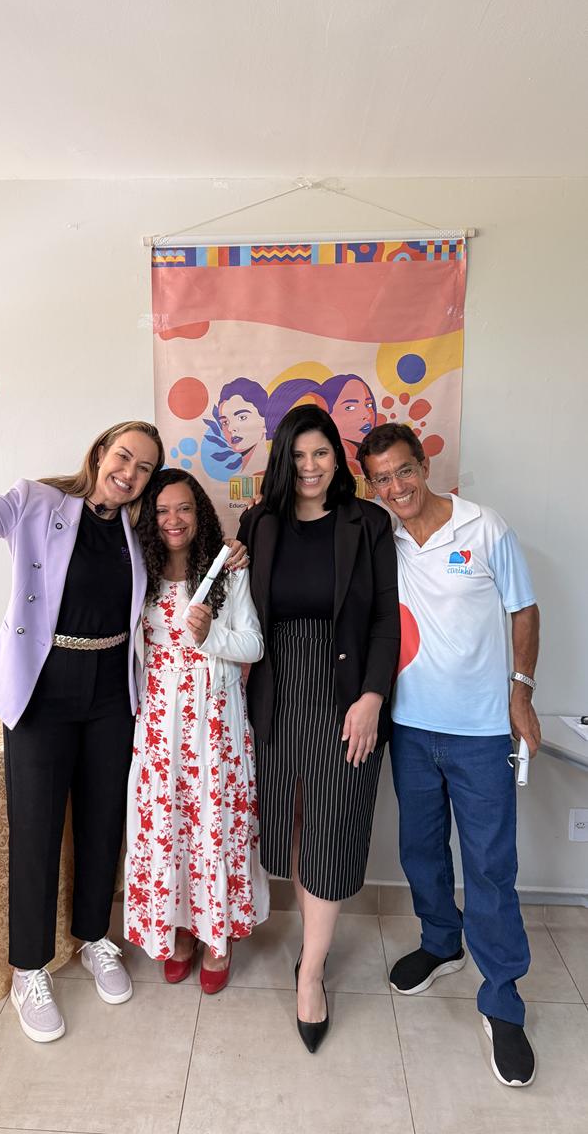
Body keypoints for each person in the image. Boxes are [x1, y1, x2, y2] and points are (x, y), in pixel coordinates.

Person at [0, 377, 247, 1043]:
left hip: (111, 693)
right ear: (100, 454)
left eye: (145, 467)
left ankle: (96, 936)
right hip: (43, 689)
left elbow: (189, 563)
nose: (131, 472)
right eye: (123, 456)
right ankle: (29, 968)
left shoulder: (138, 531)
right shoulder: (33, 503)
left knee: (104, 823)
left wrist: (232, 554)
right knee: (36, 830)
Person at [358, 422, 541, 1088]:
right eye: (381, 479)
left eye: (403, 470)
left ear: (424, 465)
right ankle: (441, 942)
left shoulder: (484, 527)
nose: (396, 487)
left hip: (481, 731)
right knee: (420, 850)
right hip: (410, 727)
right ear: (371, 486)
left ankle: (502, 998)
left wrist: (520, 693)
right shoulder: (384, 541)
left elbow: (524, 610)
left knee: (490, 865)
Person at [238, 405, 400, 1052]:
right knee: (293, 824)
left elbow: (385, 618)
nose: (310, 467)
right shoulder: (260, 522)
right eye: (298, 455)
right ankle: (311, 947)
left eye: (321, 453)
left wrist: (371, 697)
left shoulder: (369, 523)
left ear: (338, 457)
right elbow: (236, 607)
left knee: (331, 828)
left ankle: (310, 972)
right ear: (284, 460)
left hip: (346, 691)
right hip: (276, 692)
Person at [124, 468, 269, 991]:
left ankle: (218, 936)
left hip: (215, 725)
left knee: (214, 825)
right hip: (159, 727)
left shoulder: (228, 571)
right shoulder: (140, 571)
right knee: (170, 828)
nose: (173, 519)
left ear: (200, 512)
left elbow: (253, 644)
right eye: (162, 510)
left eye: (183, 508)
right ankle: (181, 930)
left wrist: (211, 637)